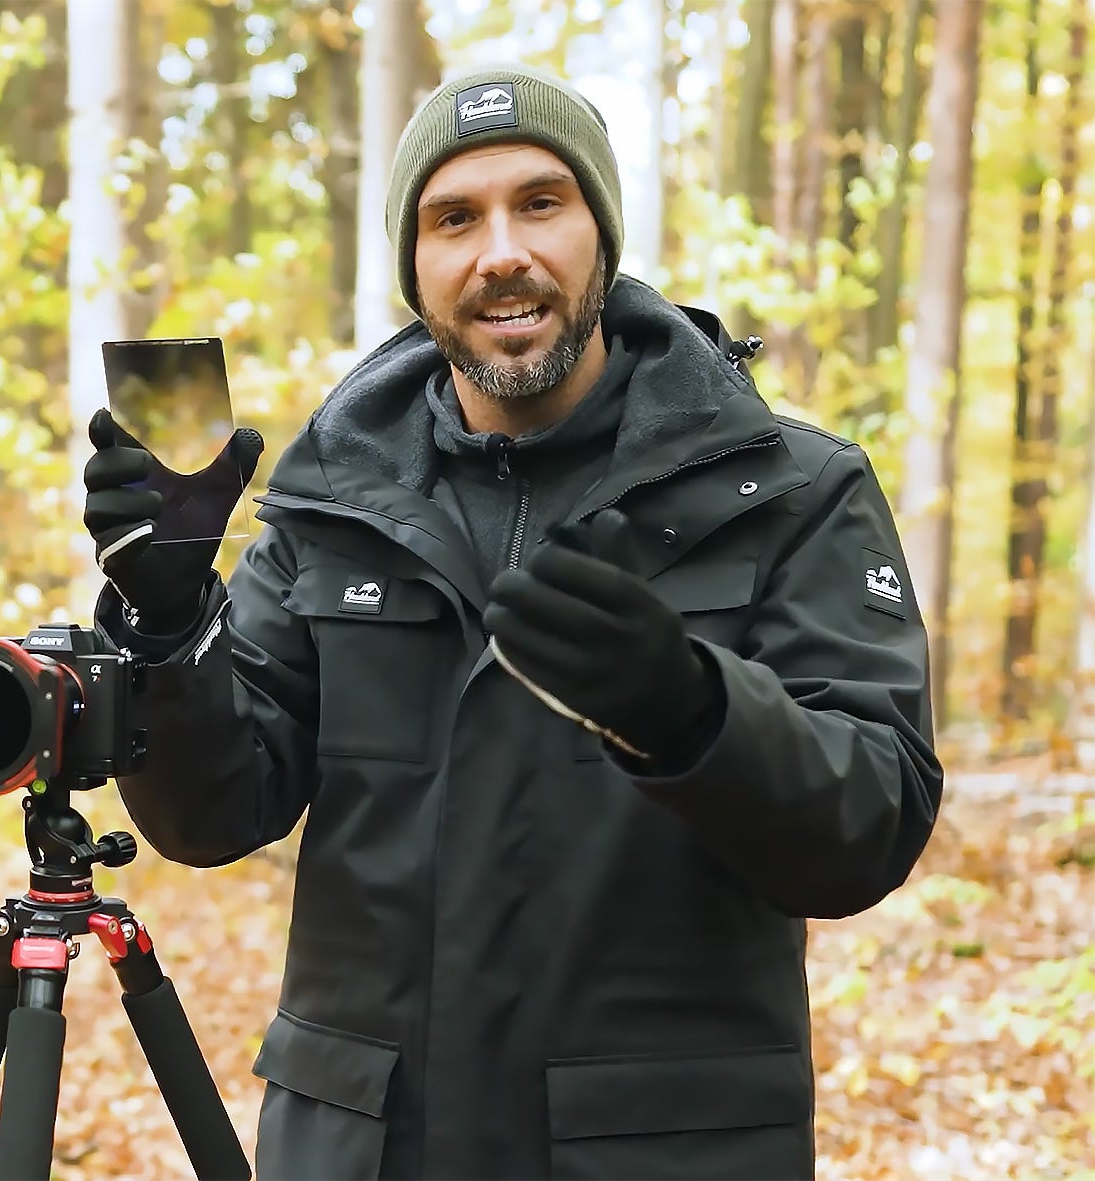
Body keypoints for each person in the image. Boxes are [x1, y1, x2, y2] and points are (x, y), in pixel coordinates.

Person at [81, 62, 942, 1181]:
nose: (500, 252)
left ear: (599, 232)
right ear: (415, 265)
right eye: (453, 218)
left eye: (539, 202)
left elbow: (870, 821)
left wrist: (691, 715)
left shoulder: (784, 489)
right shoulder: (329, 497)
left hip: (658, 1148)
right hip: (364, 1145)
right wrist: (168, 624)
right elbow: (211, 813)